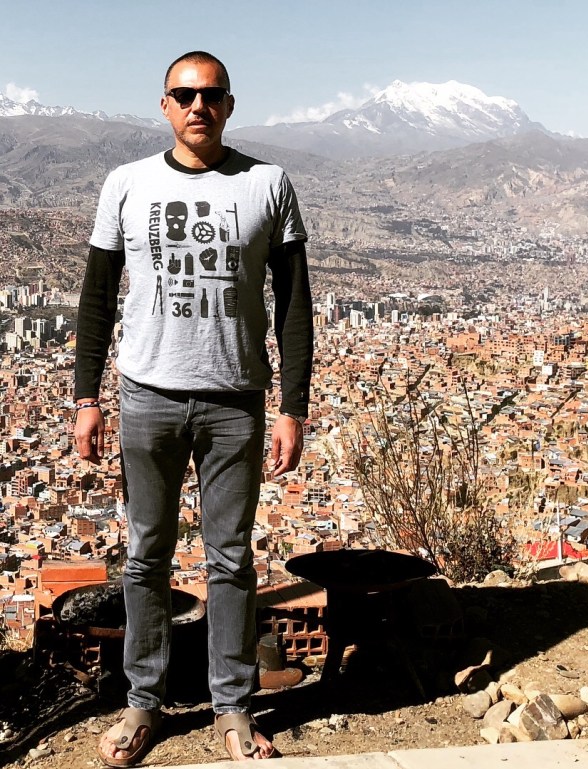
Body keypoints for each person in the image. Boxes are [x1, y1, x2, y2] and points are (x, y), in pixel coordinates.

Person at [74, 50, 313, 765]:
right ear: (165, 105)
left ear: (229, 105)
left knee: (230, 559)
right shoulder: (127, 183)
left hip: (235, 399)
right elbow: (96, 296)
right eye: (184, 95)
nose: (197, 105)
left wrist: (292, 406)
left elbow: (294, 302)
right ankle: (142, 703)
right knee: (145, 555)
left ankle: (233, 708)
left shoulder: (268, 183)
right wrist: (86, 396)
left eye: (211, 94)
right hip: (146, 394)